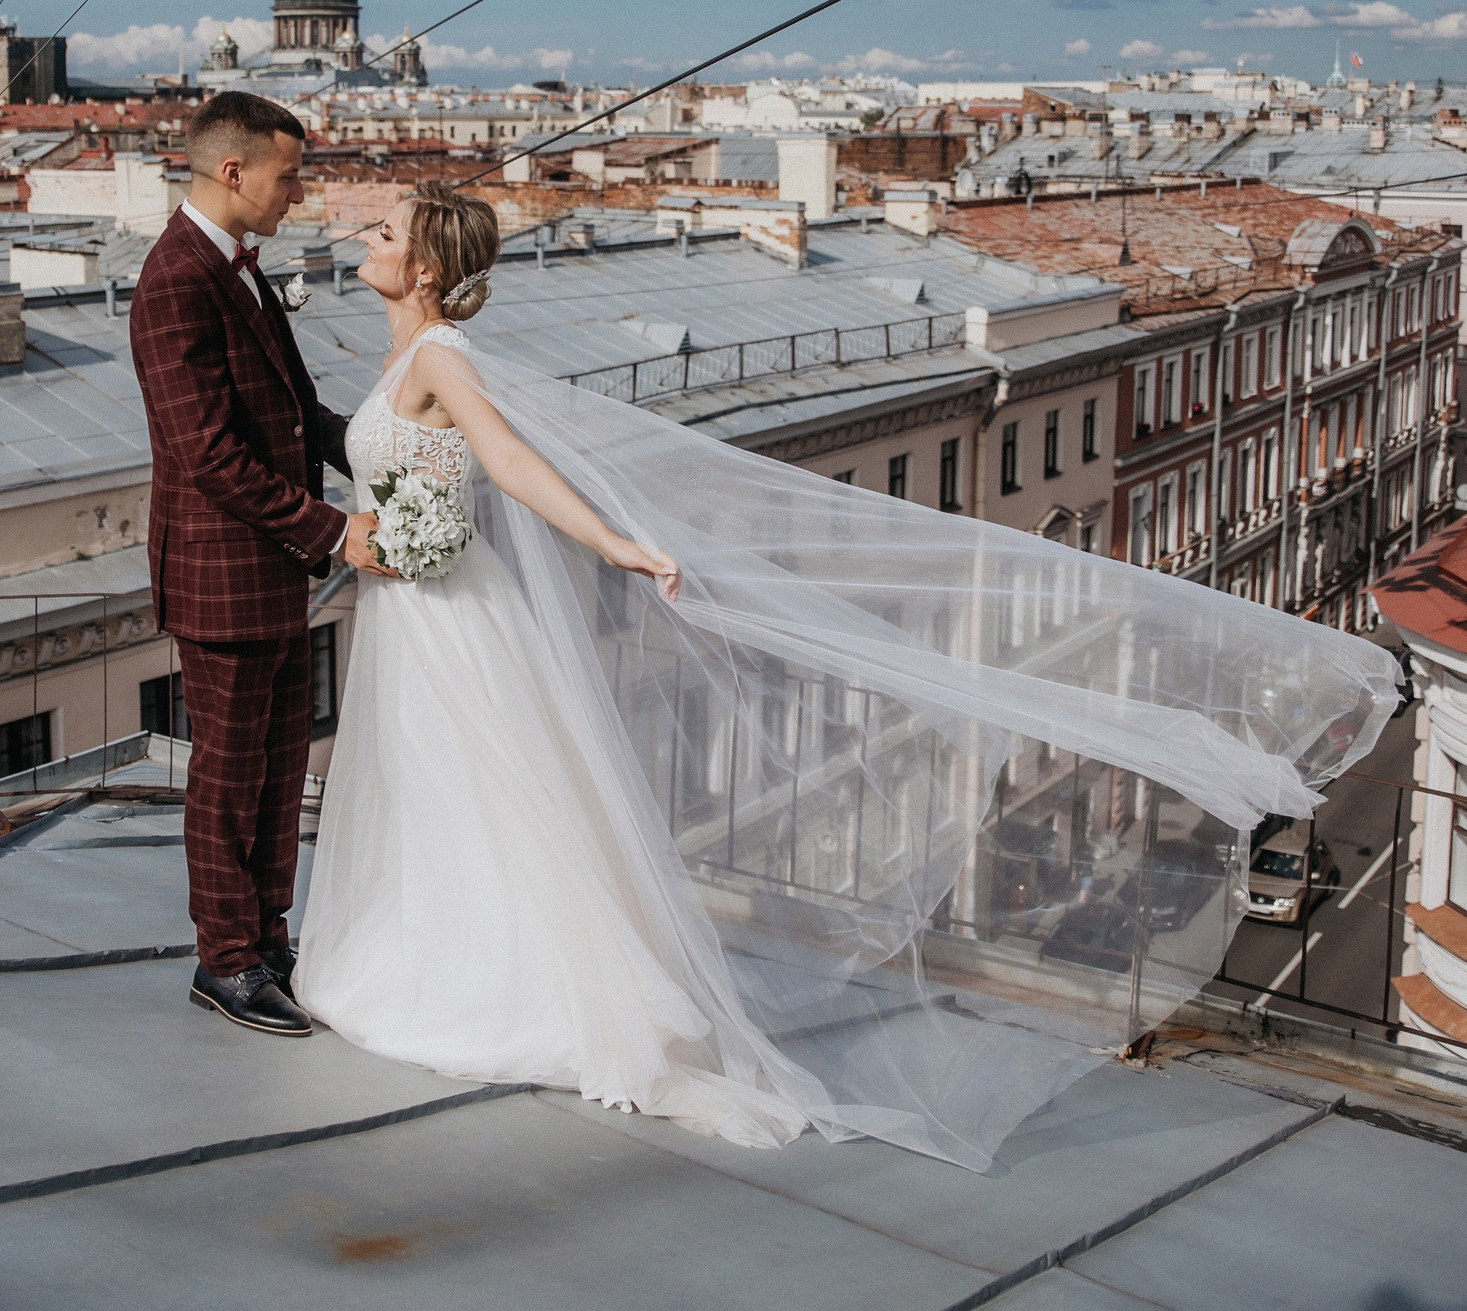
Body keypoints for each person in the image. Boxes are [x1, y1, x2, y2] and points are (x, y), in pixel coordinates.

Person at [298, 182, 1400, 1165]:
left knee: (480, 794)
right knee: (431, 793)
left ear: (427, 266)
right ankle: (425, 958)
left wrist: (614, 543)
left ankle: (497, 991)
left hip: (452, 614)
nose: (361, 233)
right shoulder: (396, 360)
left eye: (382, 229)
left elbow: (508, 462)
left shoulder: (441, 356)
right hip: (413, 607)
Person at [128, 90, 389, 1039]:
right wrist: (333, 531)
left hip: (270, 567)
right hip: (222, 572)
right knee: (229, 777)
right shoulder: (174, 280)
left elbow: (295, 415)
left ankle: (269, 942)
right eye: (290, 176)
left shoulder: (238, 268)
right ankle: (224, 960)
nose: (300, 195)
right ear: (233, 172)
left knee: (280, 773)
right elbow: (210, 454)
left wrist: (394, 452)